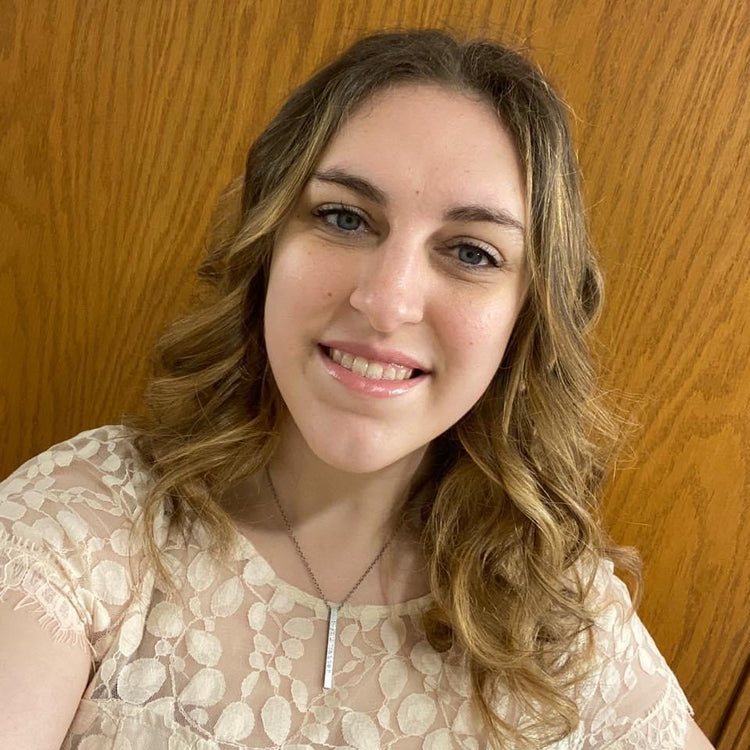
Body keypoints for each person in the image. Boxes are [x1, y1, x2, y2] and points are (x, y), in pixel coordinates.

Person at [0, 29, 713, 749]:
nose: (386, 302)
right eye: (344, 217)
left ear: (526, 315)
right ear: (268, 241)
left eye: (471, 253)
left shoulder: (564, 622)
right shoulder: (84, 526)